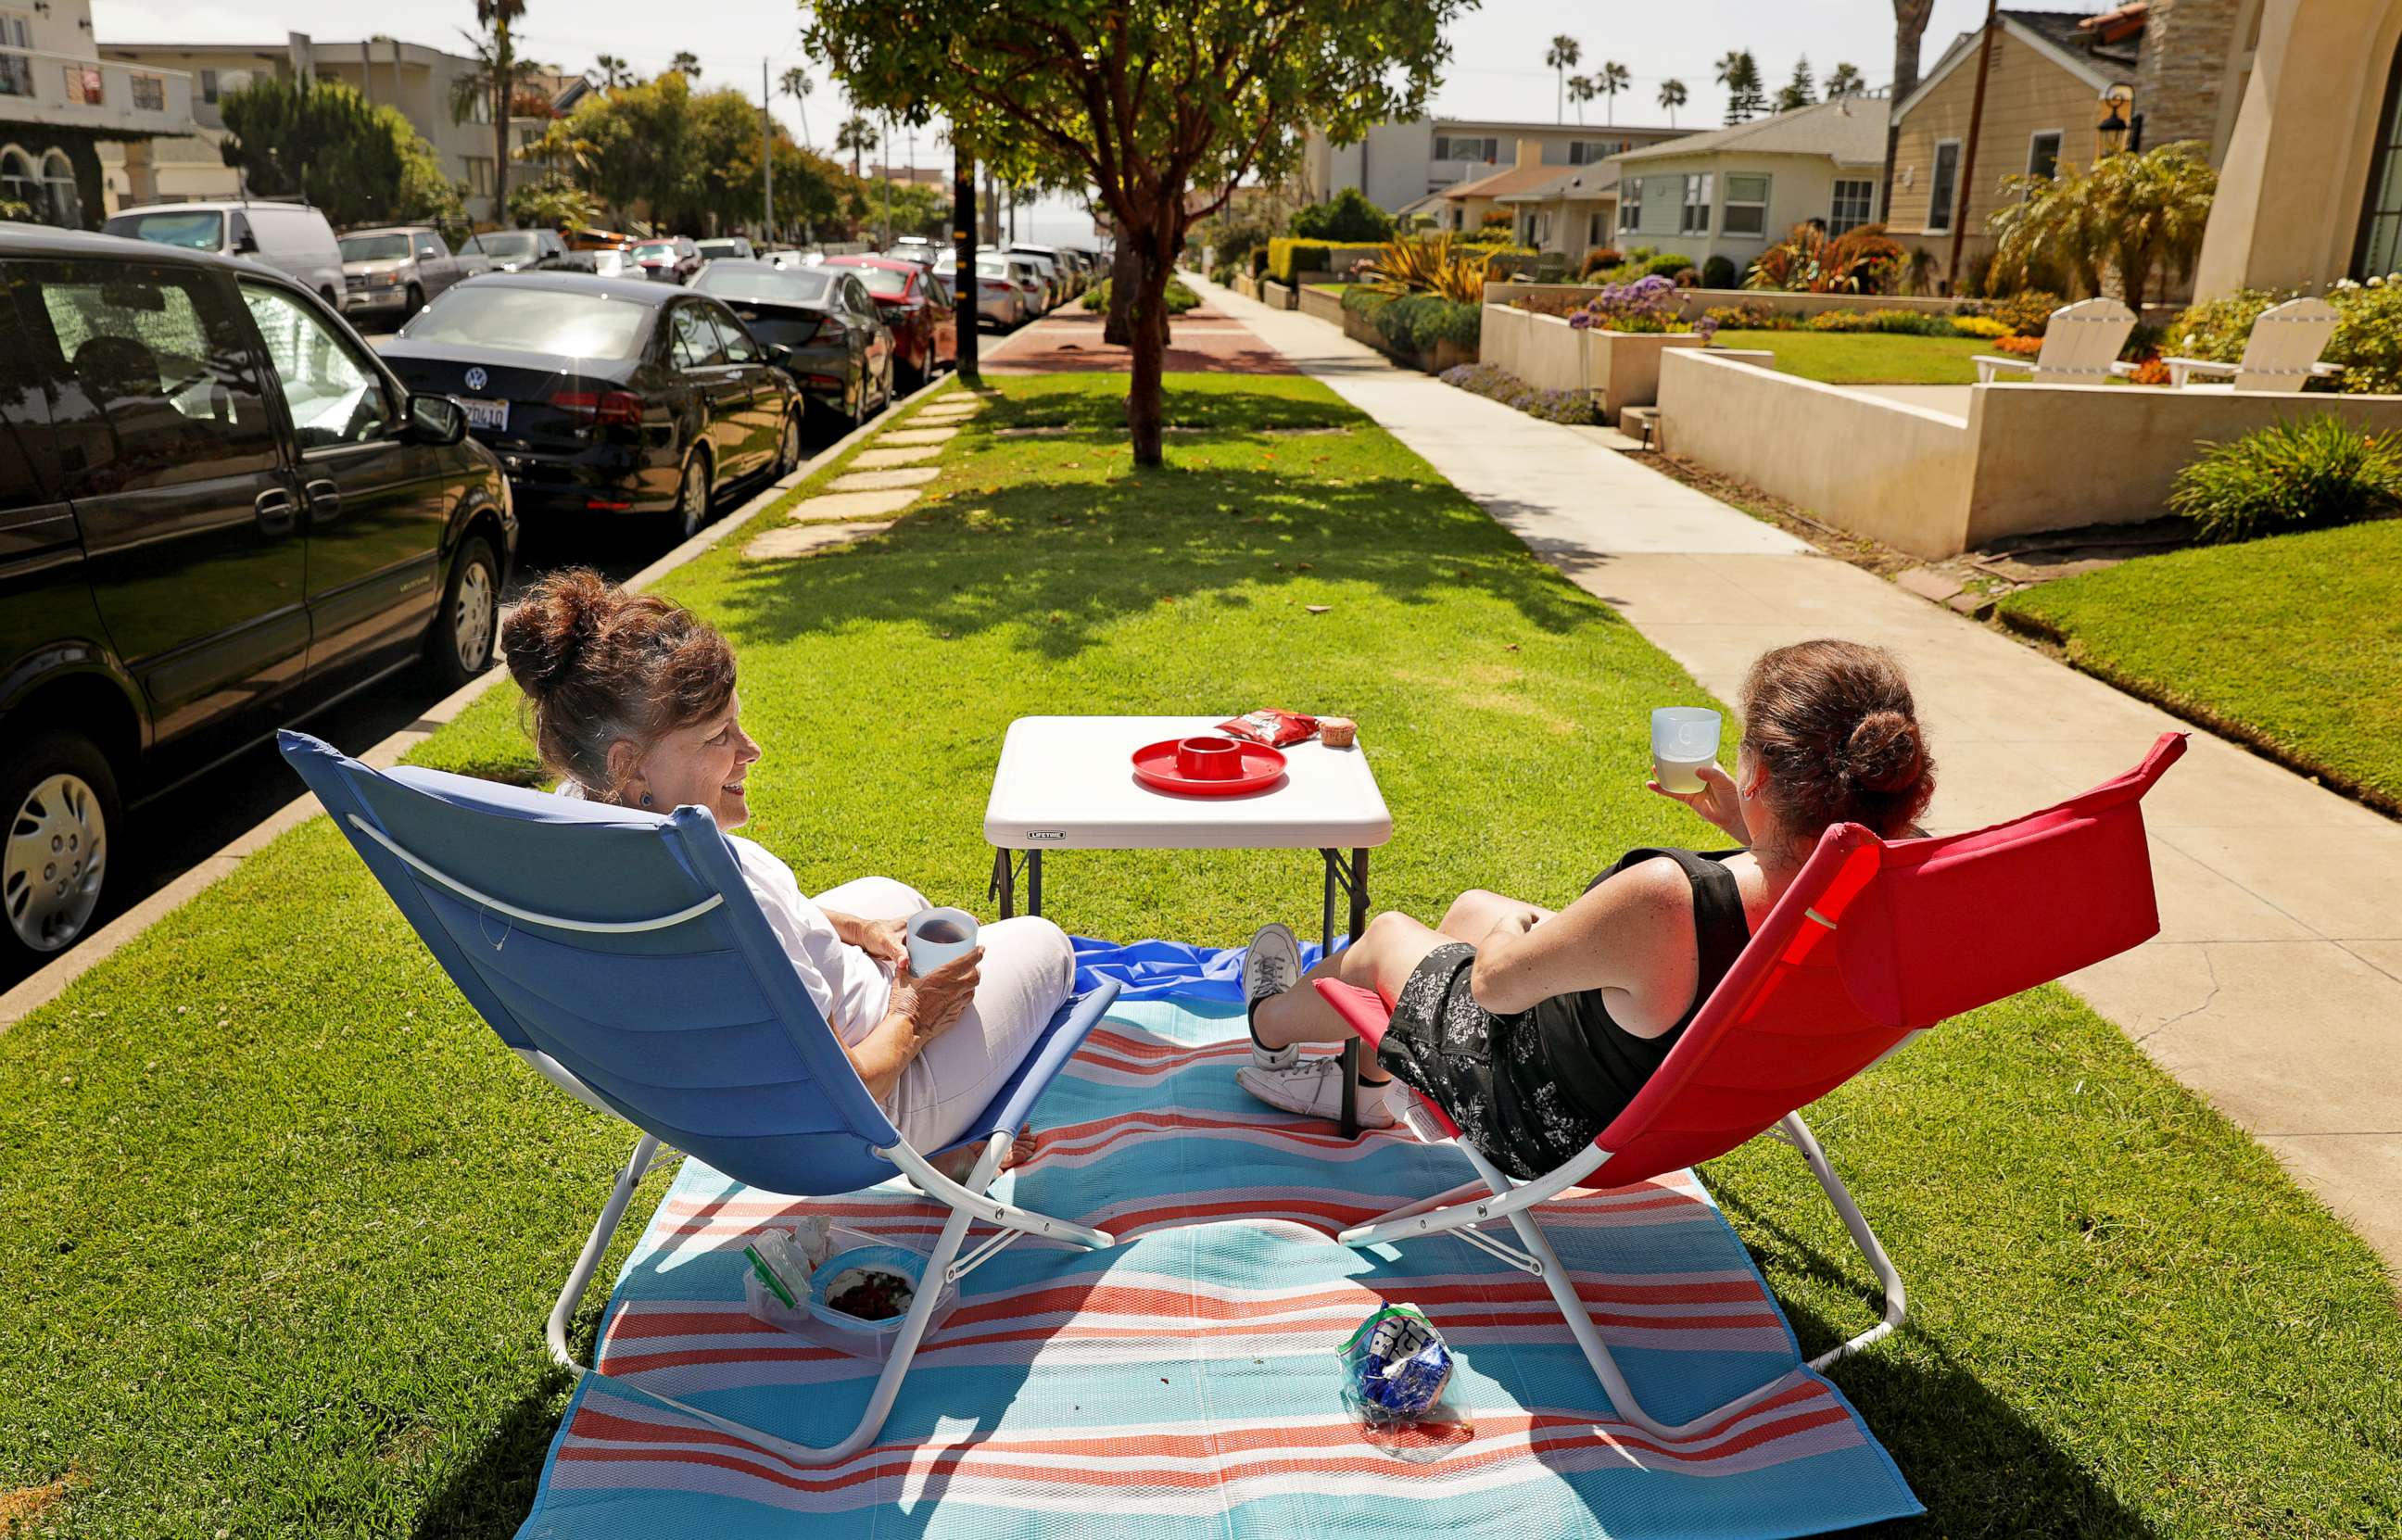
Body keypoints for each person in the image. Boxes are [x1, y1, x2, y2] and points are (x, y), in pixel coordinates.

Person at [1235, 640, 1937, 1180]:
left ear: (1757, 771)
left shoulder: (1668, 894)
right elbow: (1821, 863)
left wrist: (1511, 939)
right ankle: (1363, 1081)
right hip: (1692, 1102)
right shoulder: (1901, 890)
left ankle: (1267, 1022)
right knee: (1473, 907)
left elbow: (1494, 985)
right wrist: (1752, 830)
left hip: (1550, 1123)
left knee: (1388, 937)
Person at [499, 569, 1074, 1178]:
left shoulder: (575, 826)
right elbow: (837, 1093)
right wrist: (915, 1013)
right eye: (720, 735)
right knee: (1044, 943)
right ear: (629, 765)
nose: (751, 750)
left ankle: (933, 1073)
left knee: (894, 899)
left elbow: (747, 927)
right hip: (855, 1112)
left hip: (707, 1095)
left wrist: (856, 928)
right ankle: (943, 1146)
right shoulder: (729, 893)